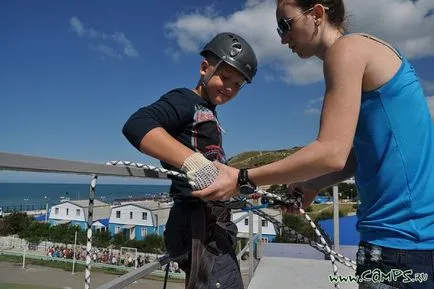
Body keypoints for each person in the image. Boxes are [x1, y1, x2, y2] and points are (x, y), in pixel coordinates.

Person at [192, 1, 434, 288]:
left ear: (317, 14)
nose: (283, 38)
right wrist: (312, 185)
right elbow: (357, 157)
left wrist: (242, 178)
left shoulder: (347, 50)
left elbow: (330, 151)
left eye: (286, 25)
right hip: (418, 242)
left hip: (397, 245)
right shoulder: (373, 51)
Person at [122, 32, 258, 289]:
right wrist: (192, 162)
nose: (230, 87)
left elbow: (211, 161)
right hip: (195, 221)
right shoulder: (185, 100)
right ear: (205, 68)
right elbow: (136, 124)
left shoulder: (207, 111)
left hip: (213, 220)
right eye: (225, 77)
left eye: (238, 84)